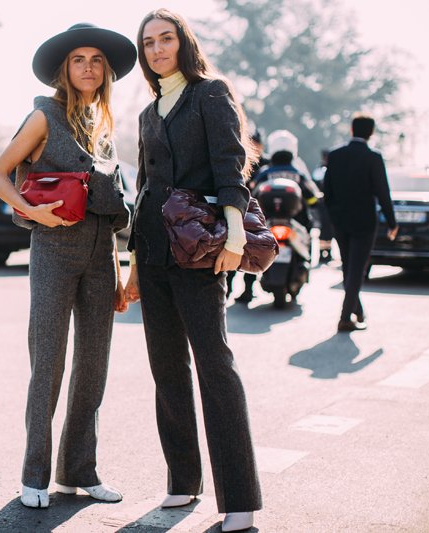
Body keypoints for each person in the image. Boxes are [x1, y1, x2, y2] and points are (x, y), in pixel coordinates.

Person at [0, 23, 136, 509]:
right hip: (53, 252)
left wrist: (116, 272)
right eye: (78, 59)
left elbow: (109, 210)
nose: (88, 67)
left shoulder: (103, 127)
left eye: (96, 60)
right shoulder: (44, 115)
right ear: (64, 69)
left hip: (99, 258)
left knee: (93, 369)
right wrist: (32, 211)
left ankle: (79, 472)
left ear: (105, 71)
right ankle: (34, 476)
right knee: (47, 367)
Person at [124, 9, 261, 532]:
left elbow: (231, 163)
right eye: (149, 43)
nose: (158, 49)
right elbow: (144, 193)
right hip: (155, 254)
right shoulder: (148, 112)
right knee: (166, 369)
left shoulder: (211, 92)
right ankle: (183, 481)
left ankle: (240, 498)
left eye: (166, 39)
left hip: (202, 250)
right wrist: (134, 264)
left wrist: (236, 232)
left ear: (183, 43)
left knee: (214, 365)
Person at [323, 114, 398, 332]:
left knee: (349, 266)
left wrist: (334, 215)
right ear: (371, 133)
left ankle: (358, 311)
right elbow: (383, 192)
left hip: (340, 220)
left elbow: (327, 191)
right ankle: (345, 317)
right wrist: (392, 222)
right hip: (365, 221)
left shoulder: (335, 155)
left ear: (351, 130)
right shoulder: (373, 157)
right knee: (357, 269)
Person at [227, 130, 269, 303]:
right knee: (231, 248)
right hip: (237, 211)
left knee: (251, 251)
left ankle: (248, 289)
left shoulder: (265, 164)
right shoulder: (239, 159)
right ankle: (227, 288)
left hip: (255, 213)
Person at [253, 129, 322, 233]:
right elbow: (310, 197)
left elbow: (252, 196)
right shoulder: (299, 174)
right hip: (297, 224)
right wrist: (315, 202)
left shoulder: (263, 174)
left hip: (266, 225)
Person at [311, 149, 334, 263]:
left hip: (323, 203)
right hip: (325, 203)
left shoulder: (321, 169)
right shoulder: (324, 170)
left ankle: (326, 253)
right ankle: (324, 254)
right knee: (326, 229)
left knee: (327, 229)